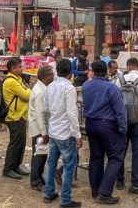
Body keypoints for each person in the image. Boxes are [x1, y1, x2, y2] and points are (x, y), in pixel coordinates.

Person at [82, 60, 126, 204]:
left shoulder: (86, 85)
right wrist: (123, 128)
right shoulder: (111, 88)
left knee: (96, 157)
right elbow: (120, 111)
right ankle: (105, 192)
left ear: (92, 71)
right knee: (115, 158)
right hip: (107, 126)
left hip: (91, 124)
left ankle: (96, 190)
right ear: (106, 71)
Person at [44, 59, 83, 208]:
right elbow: (72, 114)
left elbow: (46, 108)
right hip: (66, 132)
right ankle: (65, 200)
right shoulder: (69, 88)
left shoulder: (50, 86)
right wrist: (77, 134)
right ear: (70, 73)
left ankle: (49, 193)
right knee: (68, 166)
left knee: (52, 163)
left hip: (54, 130)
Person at [115, 57, 138, 194]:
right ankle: (135, 184)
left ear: (128, 67)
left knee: (120, 151)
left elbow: (116, 100)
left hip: (123, 120)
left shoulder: (120, 80)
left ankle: (119, 180)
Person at [2, 57, 32, 179]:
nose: (21, 69)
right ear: (13, 68)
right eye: (19, 67)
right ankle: (8, 168)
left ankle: (16, 166)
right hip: (14, 116)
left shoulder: (18, 79)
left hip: (21, 114)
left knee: (21, 142)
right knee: (15, 143)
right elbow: (27, 94)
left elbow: (26, 92)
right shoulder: (11, 81)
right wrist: (27, 92)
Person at [28, 65, 55, 191]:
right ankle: (35, 181)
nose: (53, 76)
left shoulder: (43, 88)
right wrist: (44, 132)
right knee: (39, 154)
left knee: (42, 154)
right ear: (45, 76)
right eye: (51, 74)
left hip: (41, 127)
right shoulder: (40, 91)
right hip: (39, 128)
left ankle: (39, 177)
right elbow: (39, 114)